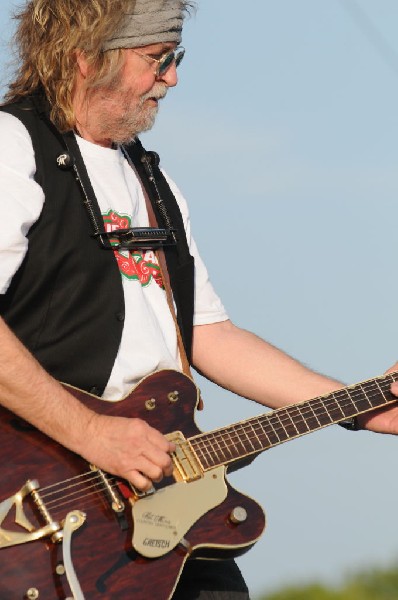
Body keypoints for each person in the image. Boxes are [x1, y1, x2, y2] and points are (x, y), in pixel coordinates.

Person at [0, 1, 397, 598]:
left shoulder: (154, 182)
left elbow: (208, 334)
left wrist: (360, 405)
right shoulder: (12, 146)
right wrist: (90, 432)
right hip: (41, 510)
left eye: (175, 58)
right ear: (85, 58)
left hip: (160, 503)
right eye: (157, 59)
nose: (174, 78)